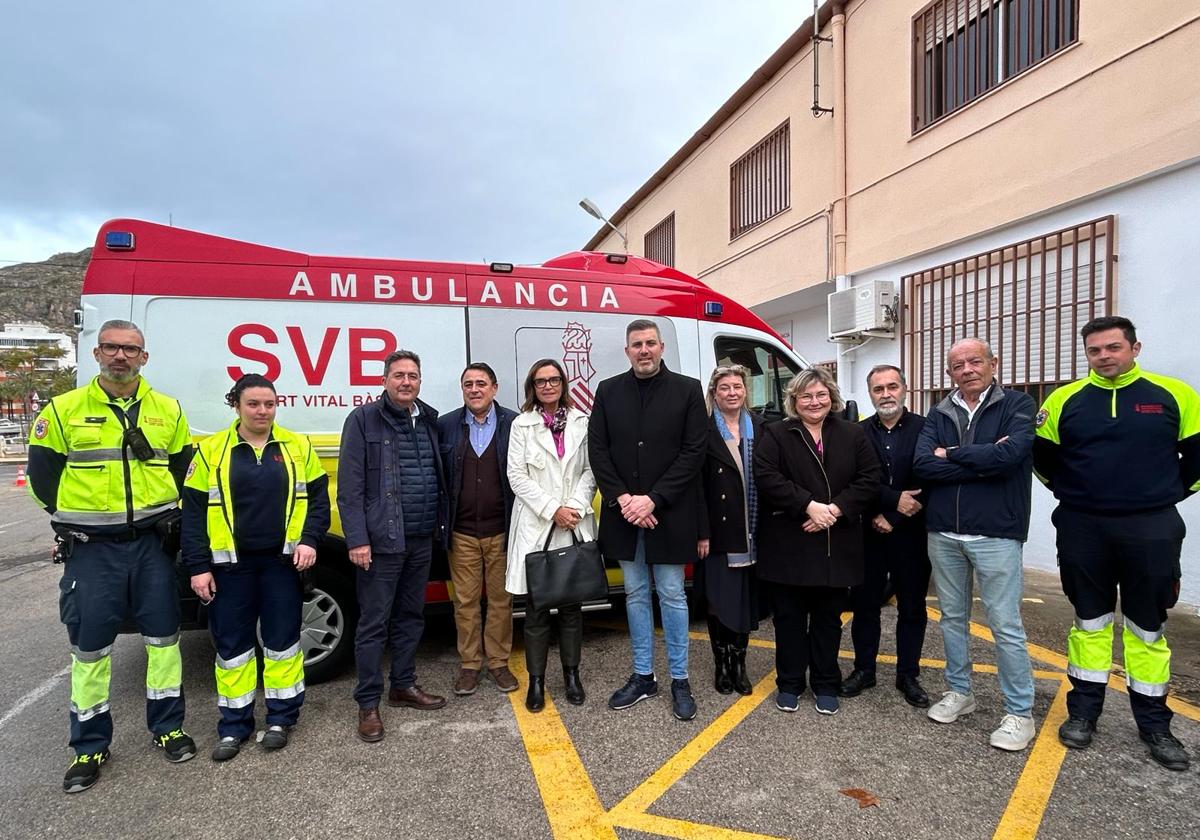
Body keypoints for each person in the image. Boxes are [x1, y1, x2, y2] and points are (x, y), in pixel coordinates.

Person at [27, 320, 197, 793]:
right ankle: (89, 746)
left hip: (153, 548)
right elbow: (42, 477)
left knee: (164, 642)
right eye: (112, 348)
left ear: (145, 358)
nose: (121, 356)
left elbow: (185, 471)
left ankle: (168, 728)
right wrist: (70, 519)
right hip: (93, 551)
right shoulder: (63, 410)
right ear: (98, 352)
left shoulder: (167, 409)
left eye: (131, 349)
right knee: (90, 650)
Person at [1034, 316, 1199, 771]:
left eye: (1113, 347)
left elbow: (1197, 459)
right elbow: (1044, 461)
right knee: (1089, 620)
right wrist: (1082, 497)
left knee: (1148, 624)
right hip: (1083, 525)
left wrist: (1162, 496)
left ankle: (1155, 725)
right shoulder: (1064, 400)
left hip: (1151, 527)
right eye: (1094, 350)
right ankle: (1083, 713)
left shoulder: (1174, 395)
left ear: (1135, 347)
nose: (1104, 356)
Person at [181, 374, 330, 761]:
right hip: (230, 569)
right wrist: (198, 567)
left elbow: (318, 501)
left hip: (281, 566)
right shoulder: (212, 450)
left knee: (283, 645)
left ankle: (280, 719)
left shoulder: (297, 446)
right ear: (237, 406)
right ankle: (234, 727)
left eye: (269, 404)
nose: (262, 411)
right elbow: (193, 515)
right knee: (233, 649)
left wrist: (311, 540)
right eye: (254, 404)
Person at [914, 337, 1038, 752]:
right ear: (950, 373)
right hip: (945, 532)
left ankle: (1019, 713)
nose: (966, 369)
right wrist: (979, 459)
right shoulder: (940, 410)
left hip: (996, 533)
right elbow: (923, 465)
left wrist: (950, 454)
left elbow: (1011, 457)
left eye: (974, 361)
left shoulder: (1017, 406)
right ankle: (960, 692)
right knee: (952, 618)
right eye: (957, 365)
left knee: (1005, 625)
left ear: (993, 362)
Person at [588, 319, 708, 721]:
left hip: (668, 514)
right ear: (627, 351)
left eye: (650, 343)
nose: (644, 350)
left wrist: (652, 500)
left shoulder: (688, 390)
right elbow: (598, 451)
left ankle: (680, 680)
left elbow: (693, 453)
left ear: (661, 348)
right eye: (636, 344)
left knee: (672, 595)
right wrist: (625, 499)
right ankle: (643, 676)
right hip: (624, 515)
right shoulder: (608, 391)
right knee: (636, 595)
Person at [754, 367, 881, 716]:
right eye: (806, 396)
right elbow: (767, 478)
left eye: (821, 394)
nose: (814, 401)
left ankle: (826, 683)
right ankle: (790, 683)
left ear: (832, 398)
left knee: (828, 620)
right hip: (789, 543)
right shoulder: (777, 433)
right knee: (789, 621)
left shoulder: (852, 434)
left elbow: (870, 479)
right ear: (794, 400)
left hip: (836, 544)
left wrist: (835, 510)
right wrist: (808, 507)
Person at [338, 349, 448, 743]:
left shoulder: (429, 420)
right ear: (384, 380)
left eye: (413, 376)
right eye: (399, 375)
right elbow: (349, 488)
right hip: (381, 543)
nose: (406, 382)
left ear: (420, 382)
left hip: (420, 539)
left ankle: (403, 685)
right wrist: (358, 539)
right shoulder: (363, 419)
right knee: (373, 625)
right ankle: (368, 704)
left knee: (411, 617)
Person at [506, 359, 597, 712]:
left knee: (572, 608)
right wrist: (552, 509)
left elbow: (591, 470)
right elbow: (516, 476)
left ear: (563, 384)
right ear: (533, 386)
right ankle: (537, 681)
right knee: (537, 610)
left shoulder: (581, 421)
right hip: (538, 525)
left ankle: (572, 675)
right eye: (540, 381)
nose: (547, 386)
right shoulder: (521, 424)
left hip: (573, 522)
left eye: (554, 380)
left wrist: (573, 506)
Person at [842, 365, 933, 708]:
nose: (886, 394)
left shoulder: (927, 429)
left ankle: (908, 674)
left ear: (905, 389)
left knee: (912, 607)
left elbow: (932, 479)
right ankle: (864, 670)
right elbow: (854, 480)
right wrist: (889, 504)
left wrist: (894, 515)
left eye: (891, 386)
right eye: (878, 388)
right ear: (870, 394)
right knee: (865, 606)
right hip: (869, 533)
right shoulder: (857, 432)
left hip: (912, 535)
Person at [437, 363, 520, 696]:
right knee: (465, 603)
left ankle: (499, 664)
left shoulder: (514, 424)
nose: (474, 389)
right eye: (468, 384)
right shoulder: (446, 426)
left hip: (501, 530)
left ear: (494, 388)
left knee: (501, 602)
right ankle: (470, 666)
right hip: (462, 533)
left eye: (481, 383)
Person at [695, 365, 765, 696]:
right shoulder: (702, 431)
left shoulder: (762, 428)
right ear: (714, 393)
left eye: (738, 386)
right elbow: (696, 487)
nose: (732, 392)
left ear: (745, 391)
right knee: (718, 601)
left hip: (755, 530)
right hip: (720, 533)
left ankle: (740, 665)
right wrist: (702, 532)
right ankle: (720, 664)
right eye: (725, 387)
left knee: (746, 602)